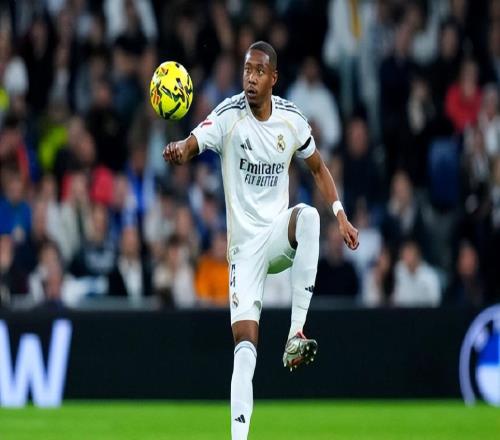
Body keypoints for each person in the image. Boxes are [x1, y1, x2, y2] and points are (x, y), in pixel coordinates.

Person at [162, 41, 359, 440]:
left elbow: (318, 168)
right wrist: (181, 149)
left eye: (258, 72)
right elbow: (195, 141)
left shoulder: (291, 119)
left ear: (273, 78)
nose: (250, 79)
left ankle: (295, 334)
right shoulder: (229, 115)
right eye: (246, 70)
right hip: (243, 250)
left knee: (308, 217)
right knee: (245, 350)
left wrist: (340, 214)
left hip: (276, 236)